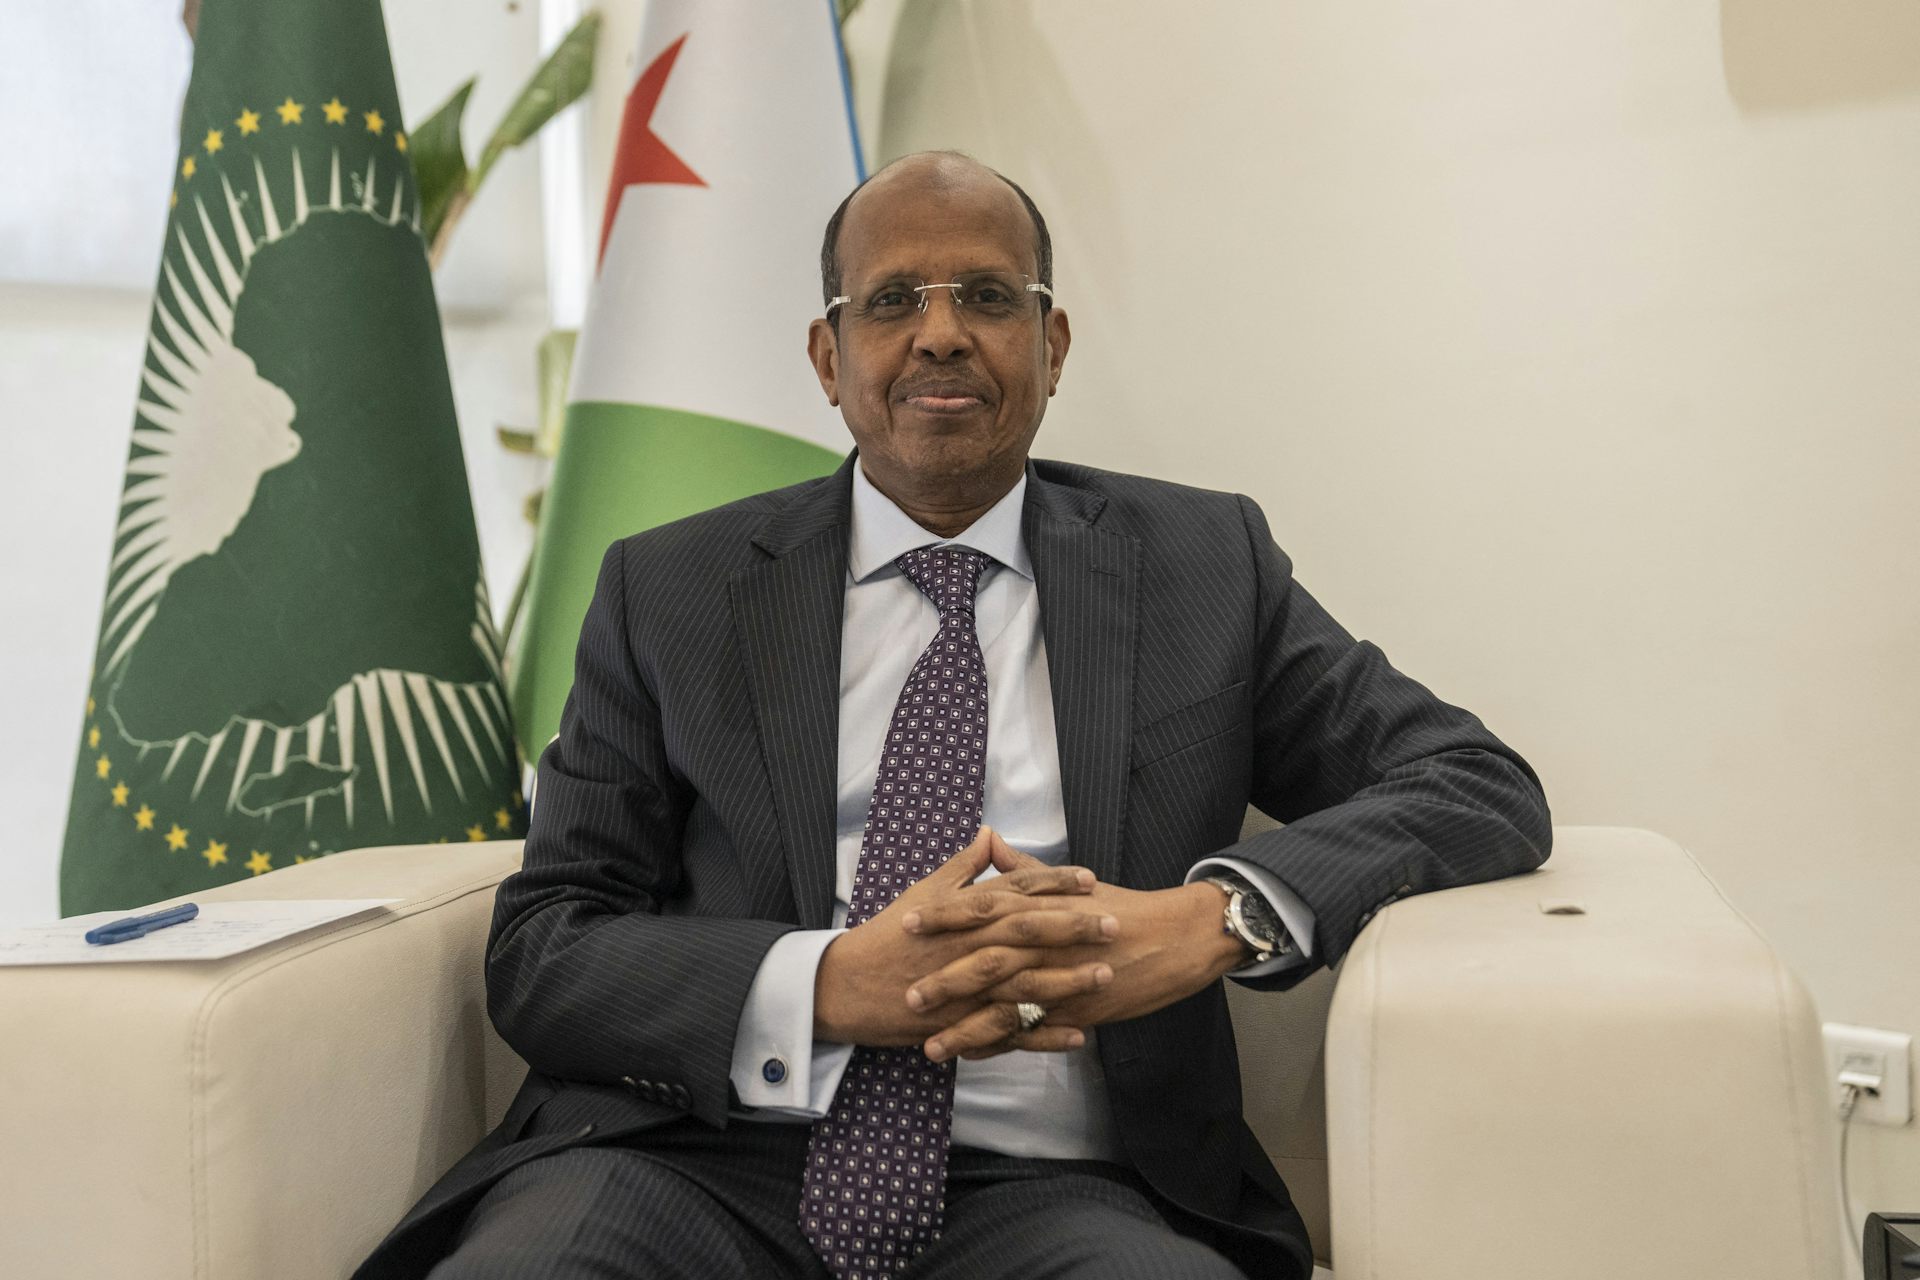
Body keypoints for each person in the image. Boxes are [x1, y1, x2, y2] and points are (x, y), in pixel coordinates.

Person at [355, 151, 1551, 1280]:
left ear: (1051, 343)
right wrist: (826, 983)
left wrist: (1210, 917)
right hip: (688, 1158)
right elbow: (546, 941)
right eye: (890, 302)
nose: (940, 331)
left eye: (987, 293)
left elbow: (1471, 779)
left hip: (1069, 1185)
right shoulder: (670, 588)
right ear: (829, 360)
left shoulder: (1202, 568)